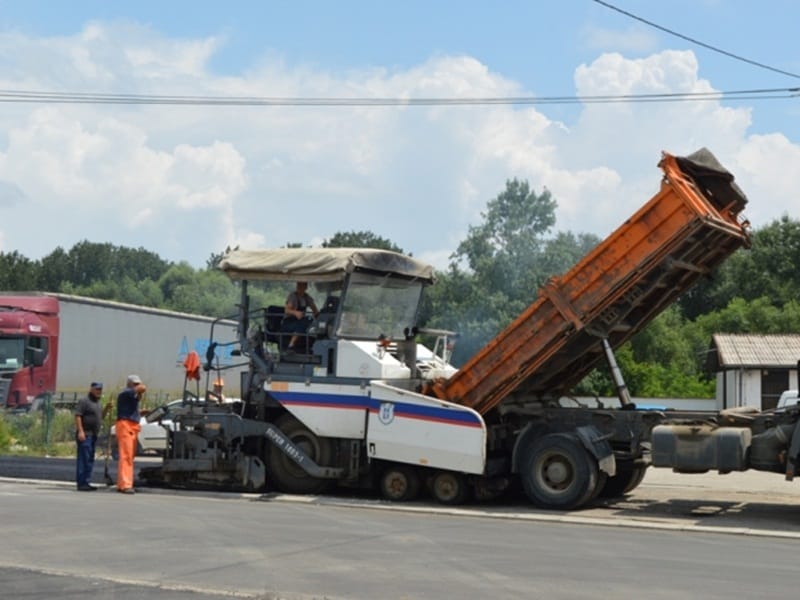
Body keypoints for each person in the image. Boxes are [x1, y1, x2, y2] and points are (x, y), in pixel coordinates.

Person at [74, 382, 110, 491]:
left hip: (93, 435)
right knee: (84, 459)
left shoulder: (98, 403)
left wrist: (107, 409)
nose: (99, 391)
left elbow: (100, 417)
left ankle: (87, 481)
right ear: (91, 389)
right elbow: (78, 416)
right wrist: (80, 431)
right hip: (85, 434)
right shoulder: (84, 401)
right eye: (97, 389)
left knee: (90, 459)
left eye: (100, 389)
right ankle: (82, 483)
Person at [115, 374, 146, 494]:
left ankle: (123, 482)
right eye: (135, 384)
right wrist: (140, 388)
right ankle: (125, 485)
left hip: (132, 425)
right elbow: (142, 388)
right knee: (126, 456)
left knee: (129, 456)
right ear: (130, 384)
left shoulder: (132, 397)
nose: (138, 386)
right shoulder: (126, 392)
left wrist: (140, 413)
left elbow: (130, 409)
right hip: (125, 426)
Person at [283, 281, 319, 351]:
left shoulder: (307, 297)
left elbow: (315, 310)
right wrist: (295, 313)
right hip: (289, 322)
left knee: (309, 320)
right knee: (305, 321)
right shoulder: (292, 296)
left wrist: (319, 317)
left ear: (305, 287)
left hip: (300, 321)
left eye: (301, 285)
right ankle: (291, 345)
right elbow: (286, 310)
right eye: (298, 285)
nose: (299, 287)